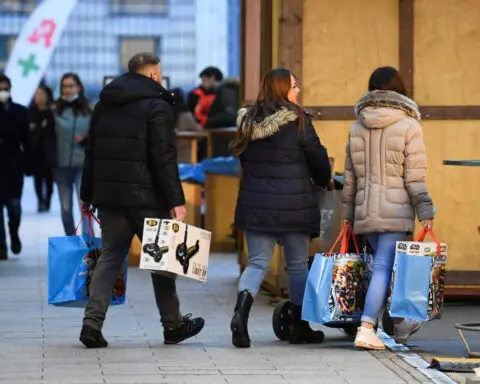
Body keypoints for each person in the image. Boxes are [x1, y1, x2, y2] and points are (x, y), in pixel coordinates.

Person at [79, 52, 205, 348]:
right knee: (161, 263)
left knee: (109, 258)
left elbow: (91, 154)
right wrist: (176, 199)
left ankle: (91, 325)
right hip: (147, 198)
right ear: (152, 74)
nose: (161, 77)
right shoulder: (157, 106)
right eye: (159, 72)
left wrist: (87, 195)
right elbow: (163, 157)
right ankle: (173, 325)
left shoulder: (104, 105)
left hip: (110, 197)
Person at [231, 68, 331, 348]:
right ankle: (299, 327)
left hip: (257, 204)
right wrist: (323, 181)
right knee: (297, 265)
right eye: (294, 86)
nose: (297, 90)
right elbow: (318, 157)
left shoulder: (247, 120)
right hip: (294, 203)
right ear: (283, 88)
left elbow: (245, 160)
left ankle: (240, 317)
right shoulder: (298, 120)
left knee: (257, 263)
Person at [342, 66, 435, 350]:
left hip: (366, 213)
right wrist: (426, 211)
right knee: (385, 267)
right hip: (396, 213)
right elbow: (414, 177)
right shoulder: (409, 126)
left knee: (383, 268)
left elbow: (350, 179)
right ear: (400, 90)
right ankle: (367, 326)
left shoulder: (357, 126)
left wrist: (347, 217)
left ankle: (398, 325)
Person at [54, 73, 91, 235]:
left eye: (71, 86)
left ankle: (88, 244)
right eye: (64, 86)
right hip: (60, 165)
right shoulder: (55, 109)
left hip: (82, 163)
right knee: (66, 208)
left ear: (79, 87)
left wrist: (85, 140)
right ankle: (71, 240)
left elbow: (97, 133)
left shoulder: (89, 108)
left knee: (84, 206)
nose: (67, 90)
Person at [0, 74, 32, 260]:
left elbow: (27, 140)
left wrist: (29, 165)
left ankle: (13, 233)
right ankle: (1, 245)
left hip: (13, 166)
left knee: (15, 208)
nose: (2, 92)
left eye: (5, 88)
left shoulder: (19, 111)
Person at [29, 84, 56, 213]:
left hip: (49, 150)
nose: (38, 96)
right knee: (38, 178)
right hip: (35, 150)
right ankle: (40, 200)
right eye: (37, 93)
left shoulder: (53, 111)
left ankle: (48, 200)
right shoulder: (30, 111)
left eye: (41, 93)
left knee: (49, 178)